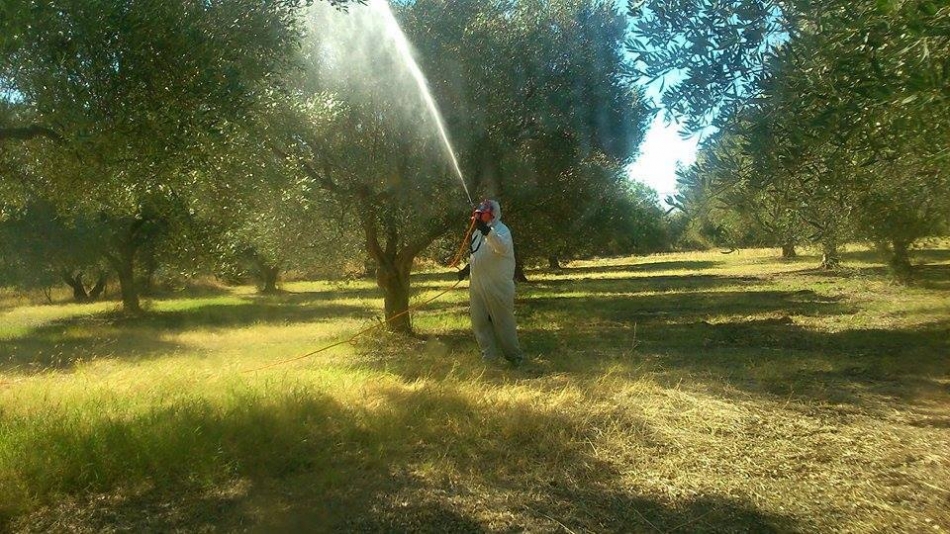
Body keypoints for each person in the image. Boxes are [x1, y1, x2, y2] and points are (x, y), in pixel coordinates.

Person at [457, 199, 524, 366]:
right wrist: (468, 268)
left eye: (484, 214)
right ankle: (489, 357)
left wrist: (487, 231)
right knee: (479, 321)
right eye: (479, 214)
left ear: (493, 214)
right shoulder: (476, 234)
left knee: (503, 321)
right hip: (478, 284)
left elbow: (501, 248)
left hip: (498, 285)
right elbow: (478, 253)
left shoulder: (502, 231)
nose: (480, 217)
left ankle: (514, 357)